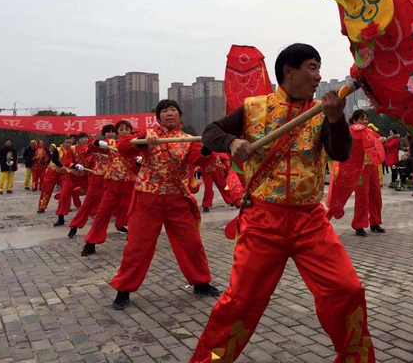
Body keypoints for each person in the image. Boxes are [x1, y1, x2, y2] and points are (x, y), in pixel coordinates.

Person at [191, 43, 374, 362]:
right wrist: (232, 142)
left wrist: (335, 120)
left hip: (311, 221)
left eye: (319, 68)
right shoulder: (252, 108)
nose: (318, 76)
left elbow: (341, 154)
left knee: (347, 291)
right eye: (312, 68)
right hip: (263, 222)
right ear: (288, 72)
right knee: (241, 302)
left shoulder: (320, 113)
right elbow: (210, 133)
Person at [111, 100, 220, 310]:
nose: (169, 114)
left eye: (173, 110)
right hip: (147, 198)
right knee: (137, 246)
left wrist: (207, 149)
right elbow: (124, 147)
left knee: (192, 243)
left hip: (176, 199)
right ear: (158, 117)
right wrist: (143, 140)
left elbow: (199, 159)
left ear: (179, 115)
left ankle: (201, 282)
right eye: (164, 111)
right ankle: (123, 289)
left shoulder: (189, 140)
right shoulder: (149, 134)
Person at [80, 120, 138, 256]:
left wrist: (138, 162)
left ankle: (136, 242)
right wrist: (96, 142)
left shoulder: (135, 144)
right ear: (117, 132)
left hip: (128, 184)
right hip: (112, 184)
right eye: (121, 129)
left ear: (131, 131)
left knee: (134, 214)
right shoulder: (110, 144)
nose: (124, 132)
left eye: (127, 129)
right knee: (102, 214)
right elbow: (91, 146)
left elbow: (137, 167)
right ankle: (91, 242)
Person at [67, 125, 115, 239]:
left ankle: (121, 224)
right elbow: (88, 147)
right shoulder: (99, 144)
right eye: (108, 132)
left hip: (113, 178)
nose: (111, 134)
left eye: (113, 132)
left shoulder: (118, 144)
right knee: (88, 203)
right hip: (98, 178)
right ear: (103, 134)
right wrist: (97, 144)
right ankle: (75, 226)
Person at [348, 110, 385, 236]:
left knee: (376, 196)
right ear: (354, 121)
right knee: (362, 198)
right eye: (362, 119)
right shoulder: (351, 133)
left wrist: (383, 139)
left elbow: (379, 140)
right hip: (360, 170)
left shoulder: (369, 131)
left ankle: (375, 223)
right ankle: (359, 225)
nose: (365, 121)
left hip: (373, 168)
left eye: (366, 119)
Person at [37, 135, 74, 215]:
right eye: (67, 143)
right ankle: (42, 207)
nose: (68, 144)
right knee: (46, 190)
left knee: (66, 190)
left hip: (64, 174)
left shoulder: (72, 151)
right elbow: (54, 159)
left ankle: (66, 206)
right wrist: (62, 166)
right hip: (52, 172)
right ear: (63, 143)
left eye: (70, 143)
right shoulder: (57, 149)